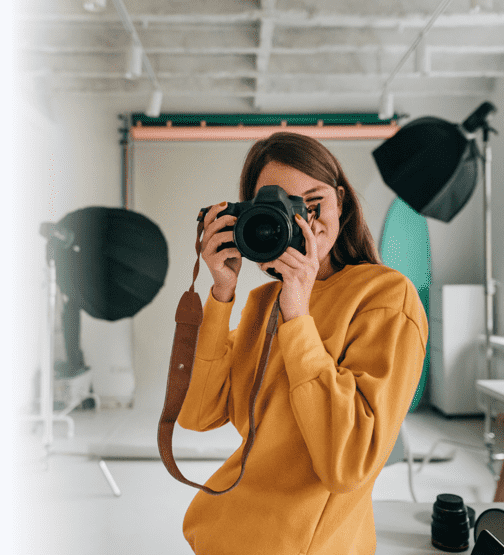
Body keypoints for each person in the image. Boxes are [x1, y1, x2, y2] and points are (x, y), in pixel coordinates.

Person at [177, 132, 428, 555]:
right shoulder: (260, 303)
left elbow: (348, 462)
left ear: (341, 204)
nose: (302, 223)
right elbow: (198, 414)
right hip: (220, 534)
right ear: (252, 216)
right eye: (279, 208)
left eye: (312, 204)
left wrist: (298, 314)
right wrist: (221, 294)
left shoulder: (386, 296)